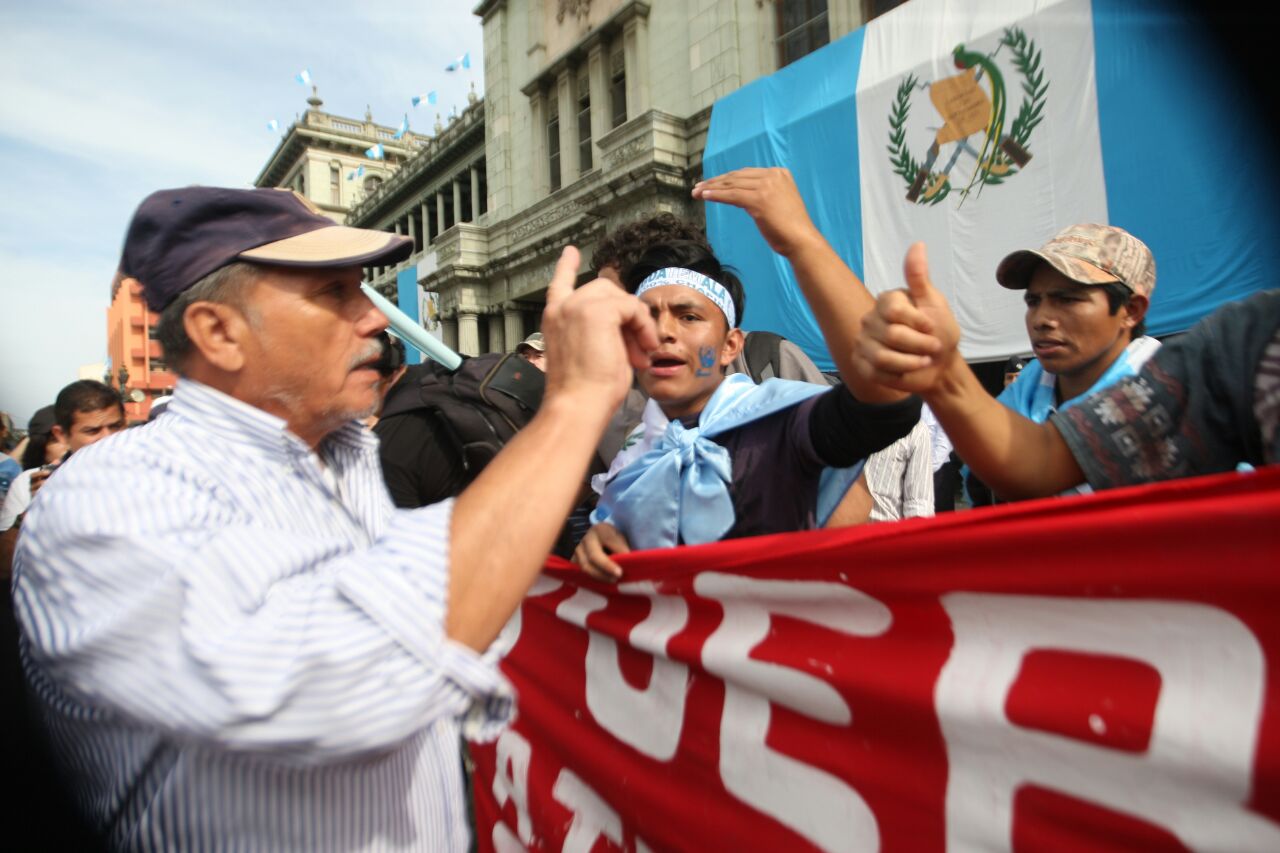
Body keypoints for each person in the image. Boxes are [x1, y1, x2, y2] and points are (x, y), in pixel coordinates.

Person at [12, 186, 658, 851]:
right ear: (218, 331)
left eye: (365, 290)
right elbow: (348, 685)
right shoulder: (109, 501)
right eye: (335, 293)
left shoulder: (347, 458)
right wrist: (573, 404)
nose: (375, 318)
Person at [573, 178, 922, 578]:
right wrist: (600, 541)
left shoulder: (779, 420)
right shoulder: (631, 466)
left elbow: (886, 402)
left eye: (688, 317)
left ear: (730, 345)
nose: (663, 332)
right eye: (646, 316)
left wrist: (801, 242)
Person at [854, 242, 1279, 498]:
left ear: (1130, 310)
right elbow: (999, 482)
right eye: (1034, 301)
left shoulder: (1180, 381)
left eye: (1068, 299)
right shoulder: (1023, 394)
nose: (1042, 318)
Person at [591, 206, 829, 465]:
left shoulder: (770, 362)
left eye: (687, 316)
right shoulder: (607, 402)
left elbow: (847, 478)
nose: (663, 331)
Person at [0, 386, 123, 576]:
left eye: (115, 426)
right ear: (61, 435)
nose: (108, 438)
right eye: (92, 431)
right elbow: (5, 567)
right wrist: (33, 512)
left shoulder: (155, 477)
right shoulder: (32, 485)